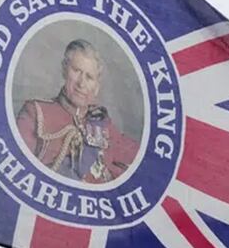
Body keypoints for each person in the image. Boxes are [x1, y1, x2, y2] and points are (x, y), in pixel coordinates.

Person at [15, 39, 139, 183]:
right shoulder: (35, 112)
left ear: (96, 87)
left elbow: (142, 161)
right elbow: (18, 169)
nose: (81, 83)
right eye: (77, 71)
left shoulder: (103, 125)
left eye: (89, 77)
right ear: (64, 69)